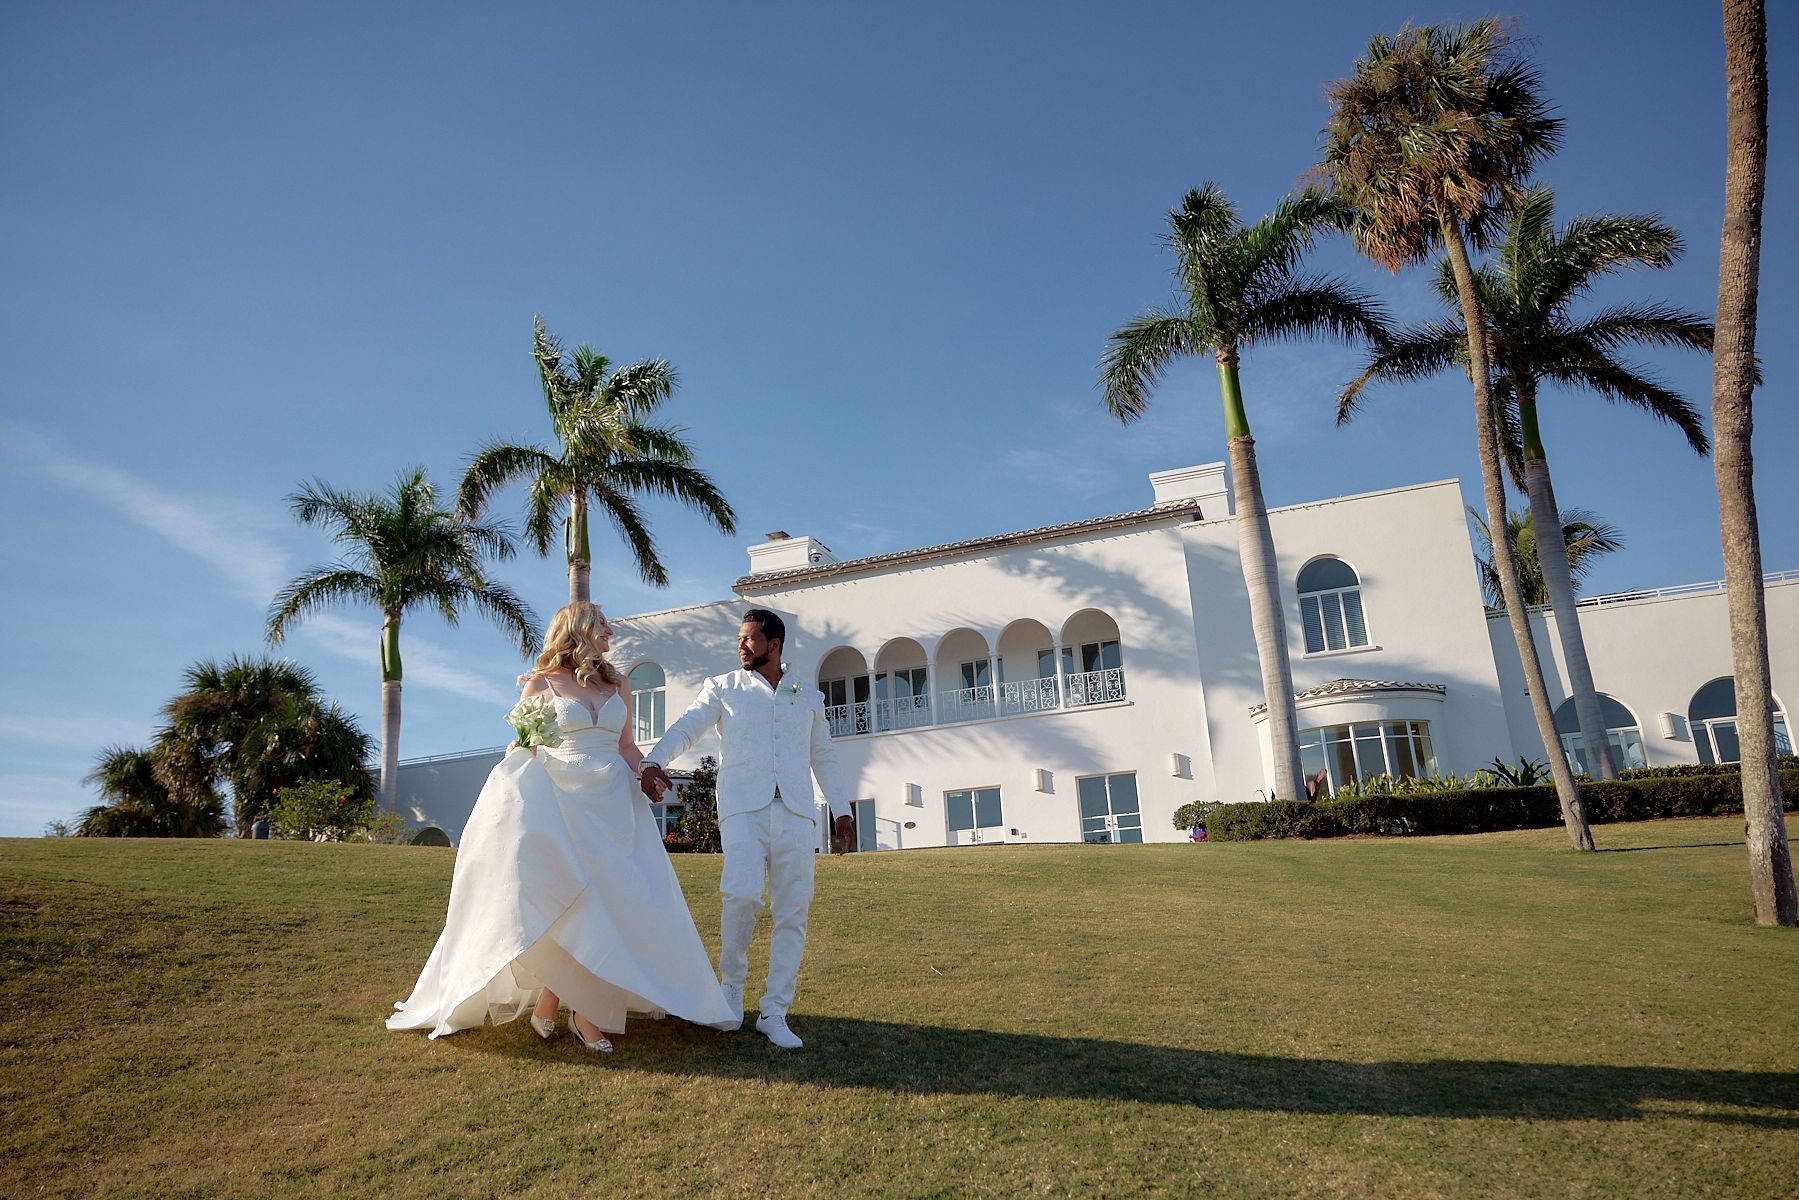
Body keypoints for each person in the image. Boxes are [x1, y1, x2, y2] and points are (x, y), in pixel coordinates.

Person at [387, 602, 737, 1052]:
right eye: (602, 623)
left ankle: (551, 1002)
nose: (610, 629)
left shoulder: (618, 684)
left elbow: (627, 745)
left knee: (609, 901)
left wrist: (647, 771)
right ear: (579, 629)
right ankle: (585, 1016)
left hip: (613, 804)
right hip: (563, 800)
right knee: (576, 902)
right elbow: (522, 745)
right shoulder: (542, 683)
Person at [639, 608, 853, 1050]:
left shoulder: (807, 696)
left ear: (774, 645)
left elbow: (824, 757)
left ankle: (775, 1012)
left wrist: (842, 810)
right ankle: (730, 993)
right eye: (740, 638)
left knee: (793, 911)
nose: (741, 645)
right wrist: (654, 760)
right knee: (741, 895)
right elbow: (688, 728)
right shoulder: (722, 687)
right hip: (742, 811)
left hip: (795, 814)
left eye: (750, 639)